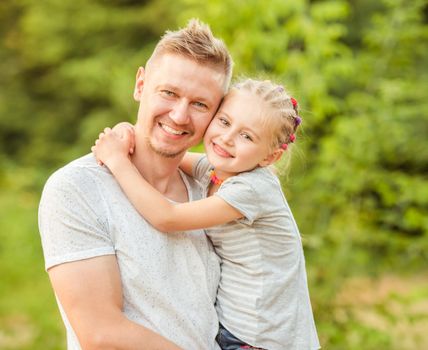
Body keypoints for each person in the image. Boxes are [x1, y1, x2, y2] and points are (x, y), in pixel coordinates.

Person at [38, 19, 233, 350]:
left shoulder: (212, 192)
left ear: (217, 112)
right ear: (141, 84)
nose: (180, 116)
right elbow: (102, 334)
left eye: (200, 104)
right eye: (169, 93)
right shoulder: (76, 190)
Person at [92, 79, 321, 350]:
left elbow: (168, 217)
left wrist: (118, 161)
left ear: (270, 157)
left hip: (265, 340)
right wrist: (124, 133)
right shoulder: (216, 171)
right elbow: (164, 152)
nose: (227, 138)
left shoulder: (253, 188)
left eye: (246, 136)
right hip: (237, 330)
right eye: (224, 122)